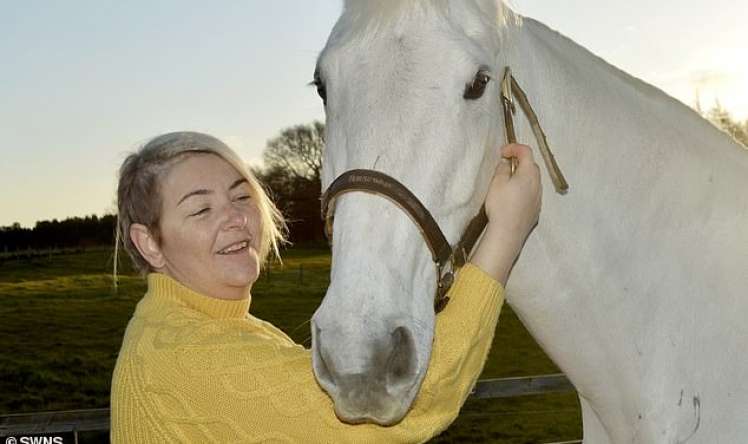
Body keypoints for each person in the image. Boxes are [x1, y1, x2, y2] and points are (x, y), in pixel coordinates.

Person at [110, 131, 542, 443]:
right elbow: (390, 414)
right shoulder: (182, 355)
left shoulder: (209, 329)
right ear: (150, 243)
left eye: (242, 197)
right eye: (201, 209)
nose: (235, 218)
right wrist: (506, 231)